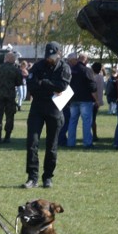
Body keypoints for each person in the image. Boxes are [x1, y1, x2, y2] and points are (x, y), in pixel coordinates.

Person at [23, 41, 71, 189]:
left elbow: (62, 86)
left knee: (52, 145)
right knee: (32, 143)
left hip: (54, 109)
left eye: (52, 56)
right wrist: (50, 86)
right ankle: (32, 177)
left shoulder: (64, 67)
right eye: (48, 56)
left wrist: (43, 82)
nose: (49, 59)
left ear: (59, 54)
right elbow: (31, 85)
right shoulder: (38, 66)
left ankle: (48, 177)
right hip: (37, 107)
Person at [0, 51, 22, 143]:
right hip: (11, 96)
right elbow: (19, 83)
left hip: (0, 95)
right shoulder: (16, 70)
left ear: (6, 59)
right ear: (12, 59)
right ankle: (7, 136)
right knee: (10, 116)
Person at [67, 53, 97, 148]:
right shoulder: (87, 70)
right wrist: (96, 98)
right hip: (85, 99)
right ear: (86, 59)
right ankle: (87, 142)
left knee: (72, 121)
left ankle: (70, 142)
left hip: (73, 99)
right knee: (86, 122)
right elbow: (92, 86)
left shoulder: (71, 70)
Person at [91, 62, 104, 141]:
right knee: (93, 118)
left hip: (93, 100)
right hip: (98, 99)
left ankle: (93, 135)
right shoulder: (101, 77)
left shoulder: (93, 77)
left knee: (91, 119)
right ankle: (94, 135)